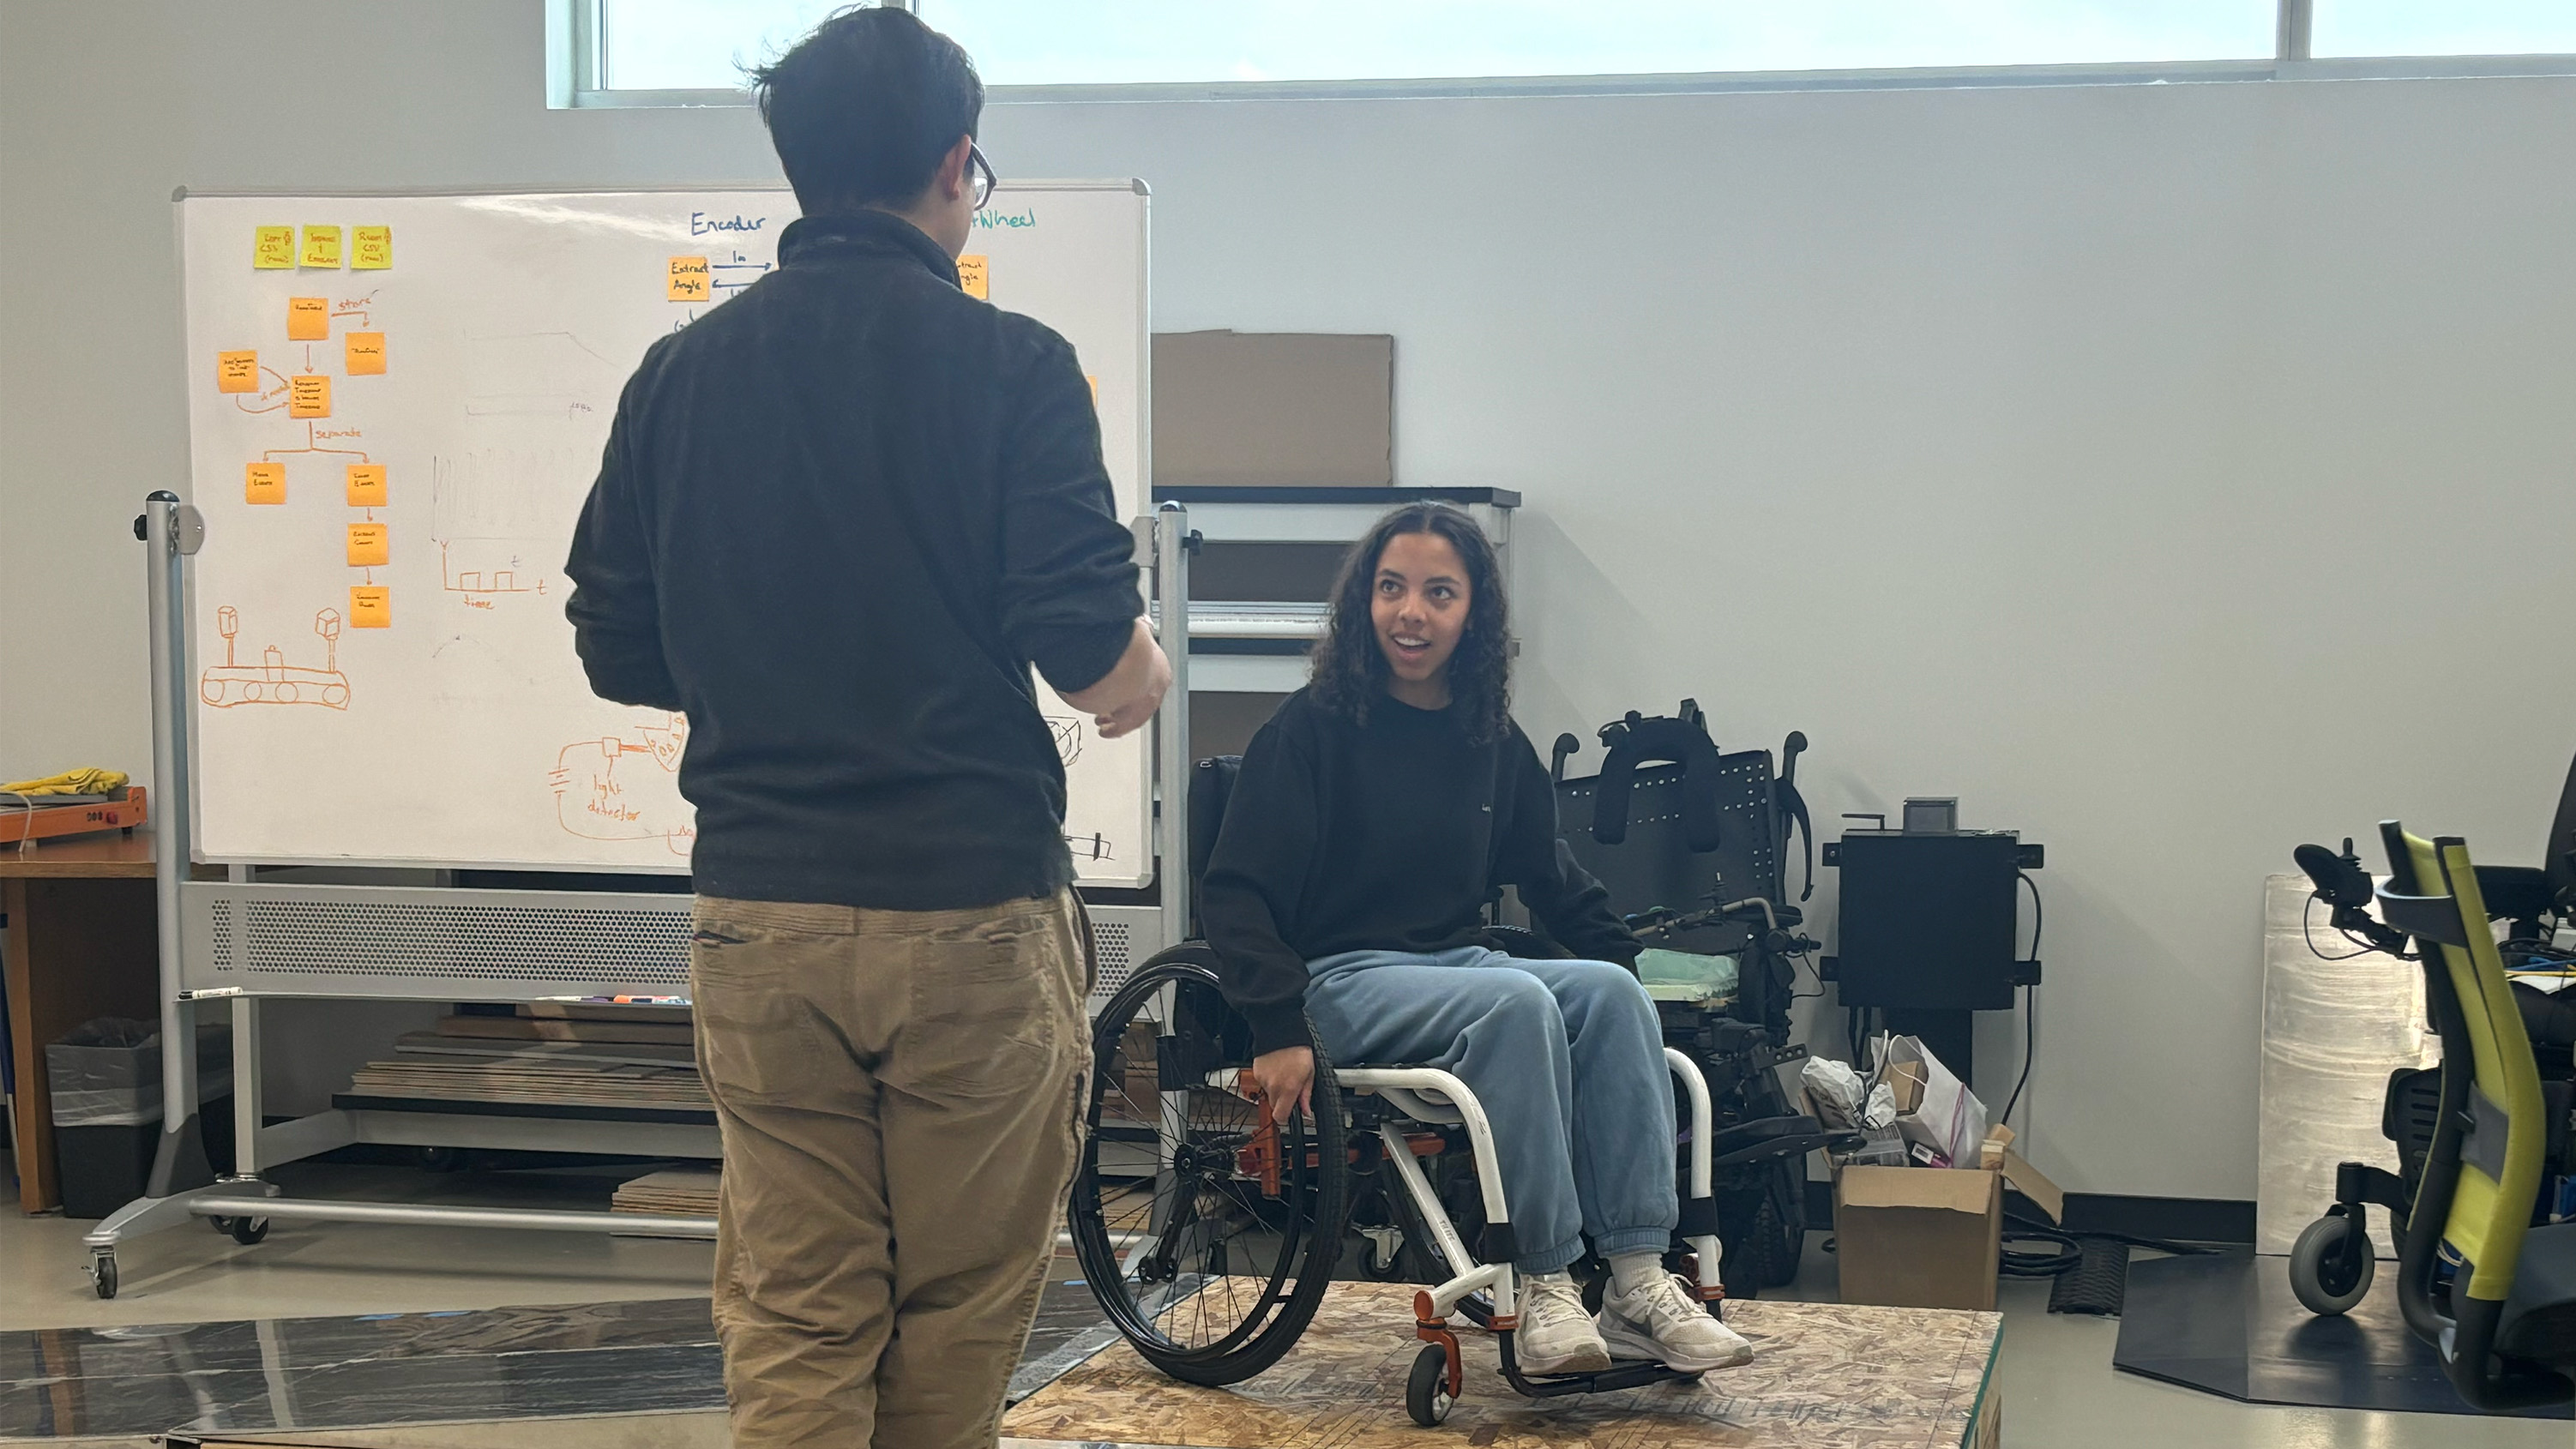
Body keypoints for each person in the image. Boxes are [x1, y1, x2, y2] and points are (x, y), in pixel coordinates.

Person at [562, 10, 1169, 1447]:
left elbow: (614, 644)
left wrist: (773, 674)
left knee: (796, 1304)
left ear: (798, 164)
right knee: (956, 1301)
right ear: (957, 165)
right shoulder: (1015, 366)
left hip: (760, 912)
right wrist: (1138, 672)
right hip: (968, 906)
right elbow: (1091, 655)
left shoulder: (678, 375)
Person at [1200, 502, 1753, 1377]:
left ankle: (1637, 1283)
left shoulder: (1487, 738)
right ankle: (1544, 1282)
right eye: (1391, 587)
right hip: (1338, 980)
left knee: (1611, 992)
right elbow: (1234, 892)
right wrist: (1273, 1023)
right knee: (1516, 999)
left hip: (1451, 971)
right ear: (1363, 602)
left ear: (1473, 615)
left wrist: (1627, 991)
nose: (1410, 612)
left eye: (1438, 593)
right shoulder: (1308, 730)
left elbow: (1554, 879)